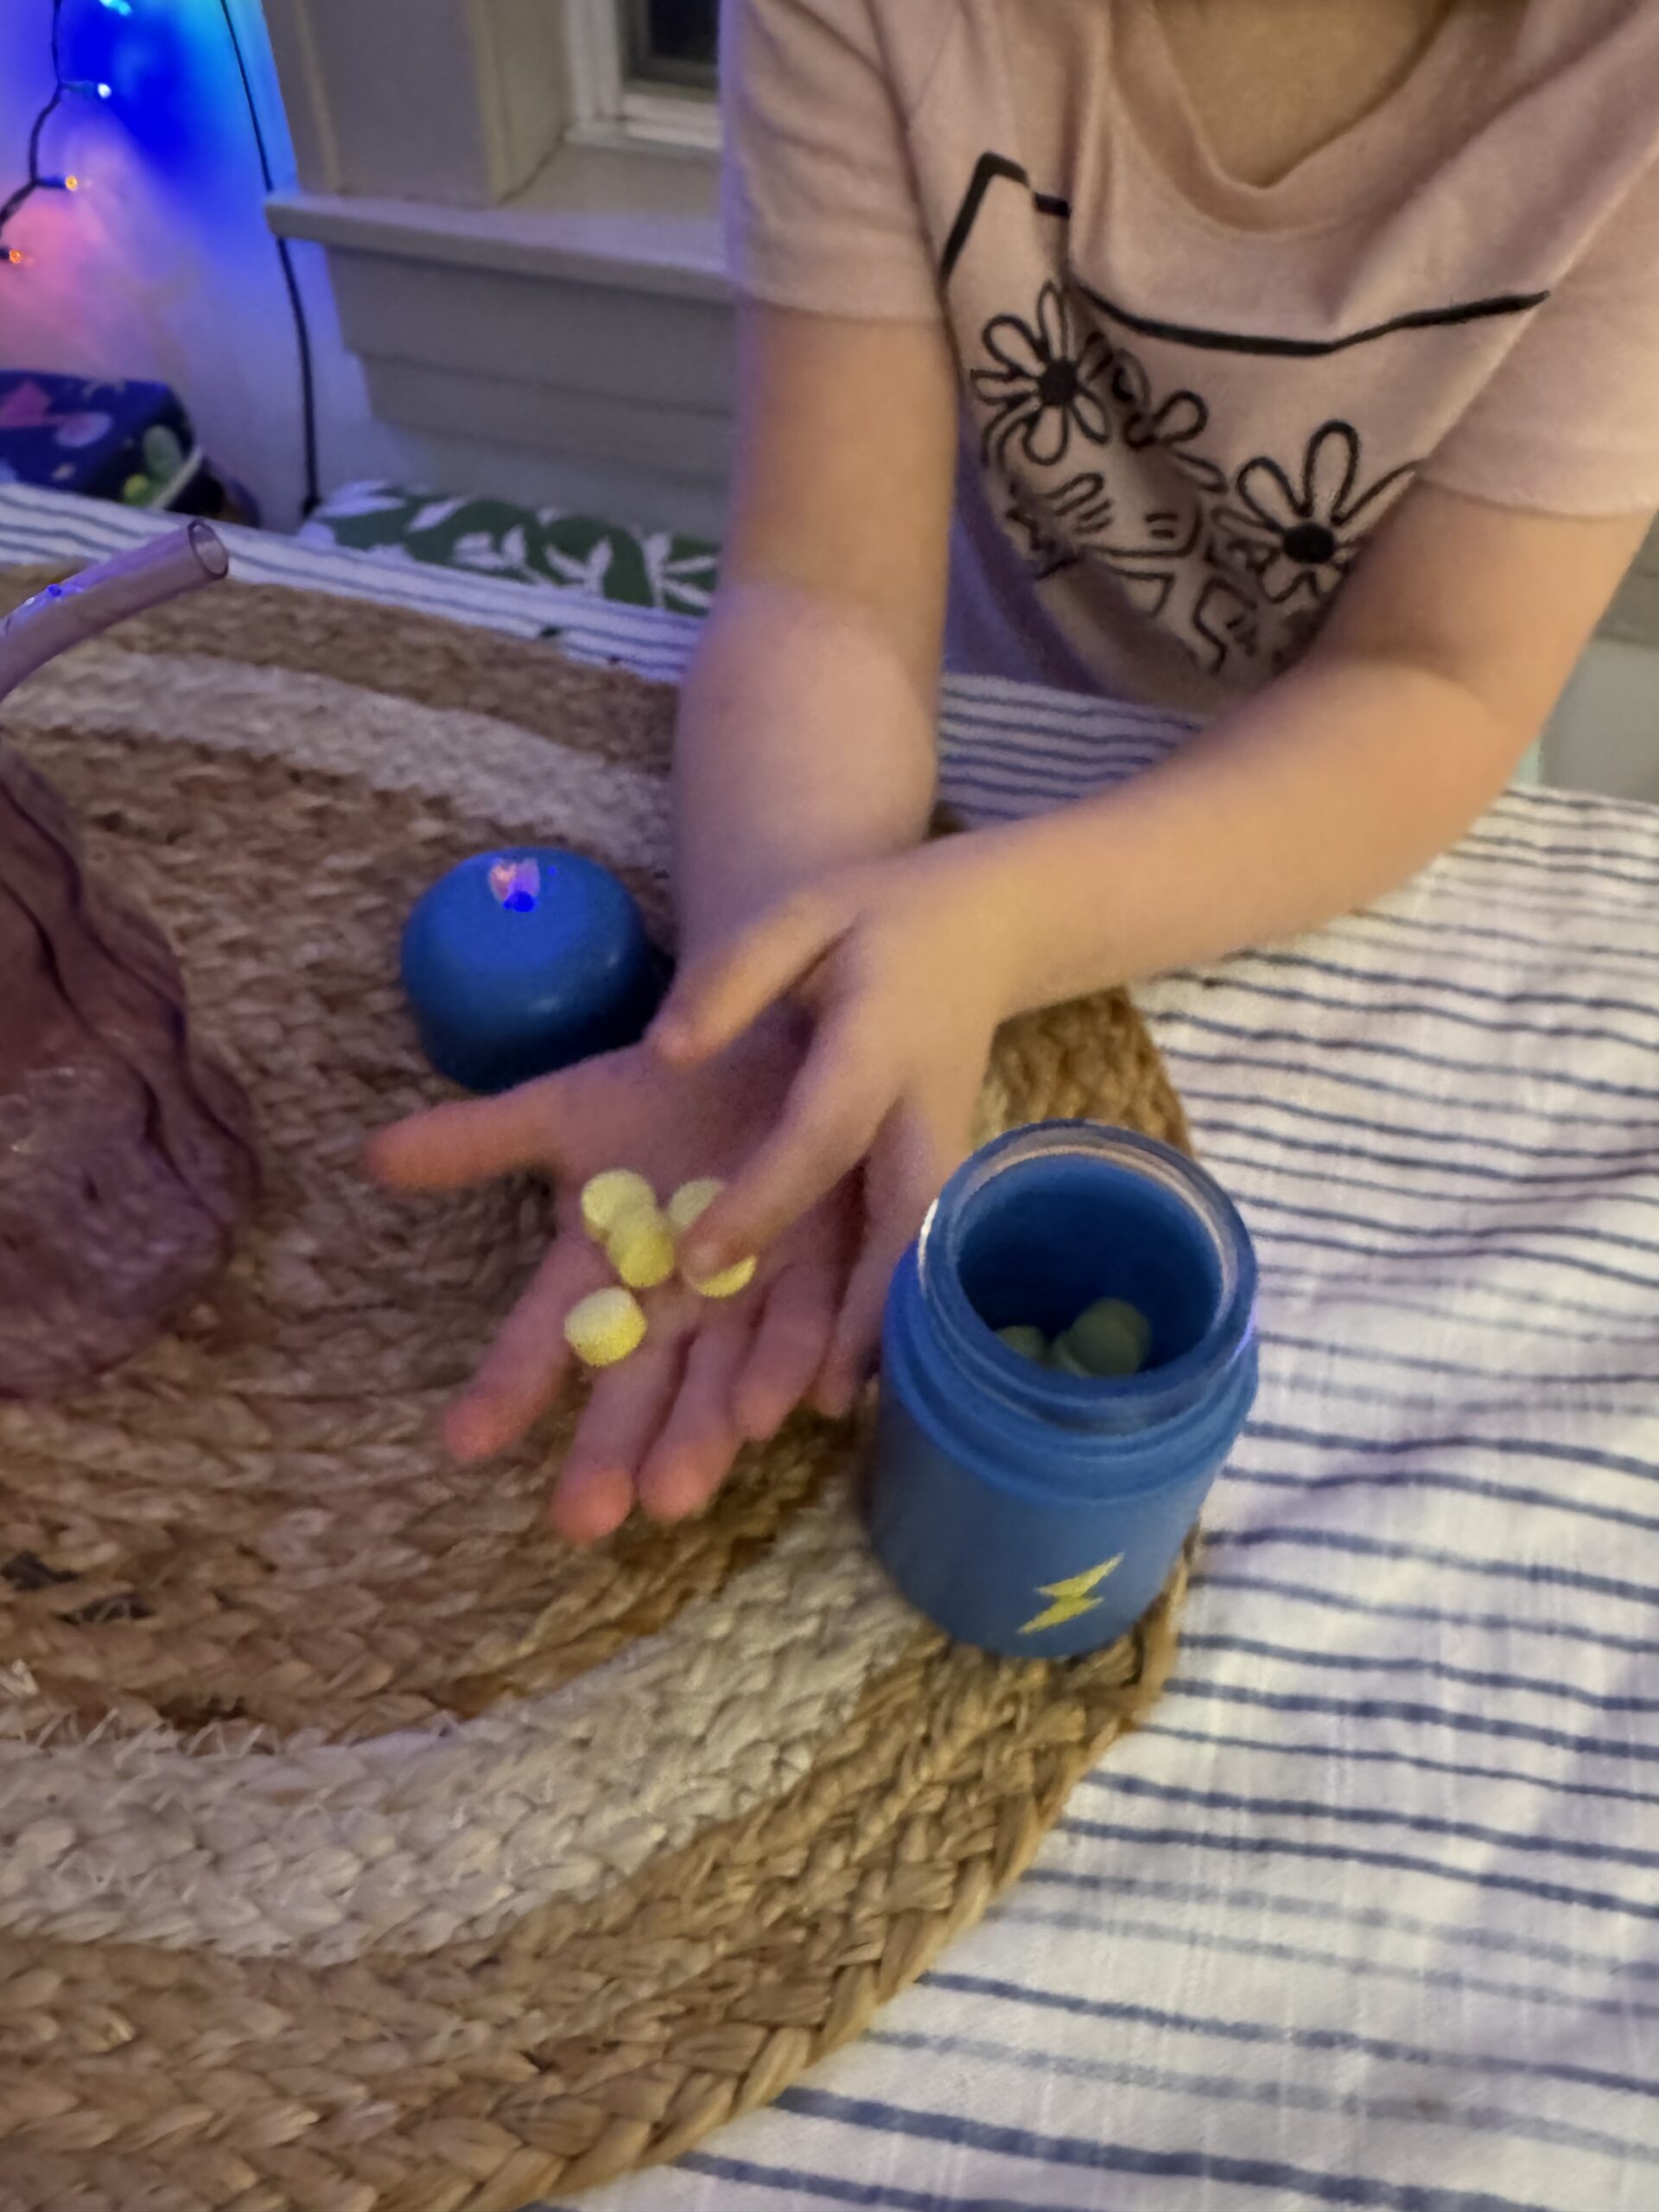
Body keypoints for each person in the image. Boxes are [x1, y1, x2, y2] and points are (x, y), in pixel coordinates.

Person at [372, 0, 1659, 1543]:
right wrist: (791, 1001)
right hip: (935, 749)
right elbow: (823, 594)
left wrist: (982, 926)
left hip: (1358, 823)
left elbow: (1432, 681)